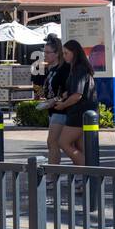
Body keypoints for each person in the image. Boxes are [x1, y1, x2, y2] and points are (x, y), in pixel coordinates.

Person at [51, 40, 96, 165]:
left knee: (63, 142)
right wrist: (60, 98)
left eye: (66, 53)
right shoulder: (78, 68)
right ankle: (85, 177)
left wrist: (63, 105)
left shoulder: (78, 69)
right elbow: (73, 91)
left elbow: (77, 95)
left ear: (74, 53)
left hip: (78, 112)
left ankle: (88, 171)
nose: (64, 56)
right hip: (83, 112)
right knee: (80, 145)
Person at [35, 34, 69, 164]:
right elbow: (46, 88)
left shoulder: (64, 68)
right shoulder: (49, 69)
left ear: (57, 53)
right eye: (44, 52)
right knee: (55, 144)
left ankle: (52, 176)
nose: (45, 55)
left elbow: (68, 90)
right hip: (52, 109)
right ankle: (55, 174)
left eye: (48, 52)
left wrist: (54, 100)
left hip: (61, 110)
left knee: (52, 142)